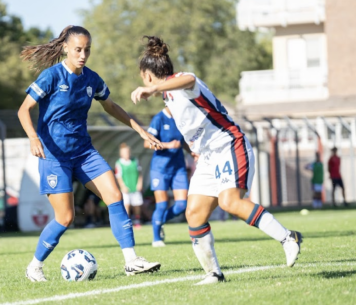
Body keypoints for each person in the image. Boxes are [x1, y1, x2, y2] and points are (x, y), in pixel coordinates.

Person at [130, 36, 303, 285]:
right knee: (194, 214)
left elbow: (190, 79)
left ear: (147, 76)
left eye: (143, 79)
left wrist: (154, 88)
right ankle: (214, 273)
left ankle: (288, 238)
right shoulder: (168, 97)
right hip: (209, 158)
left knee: (230, 202)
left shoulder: (180, 82)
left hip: (229, 145)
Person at [17, 25, 162, 282]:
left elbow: (111, 106)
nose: (83, 55)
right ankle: (34, 266)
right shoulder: (51, 77)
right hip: (54, 156)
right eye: (78, 50)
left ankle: (132, 260)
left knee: (115, 195)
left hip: (84, 153)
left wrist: (140, 130)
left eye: (87, 50)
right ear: (65, 49)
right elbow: (23, 110)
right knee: (65, 217)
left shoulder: (91, 79)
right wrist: (33, 138)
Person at [145, 107, 189, 247]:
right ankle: (156, 238)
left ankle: (160, 221)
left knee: (182, 205)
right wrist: (167, 145)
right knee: (162, 204)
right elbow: (147, 143)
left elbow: (182, 142)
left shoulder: (180, 118)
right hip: (160, 169)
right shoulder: (158, 119)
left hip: (178, 168)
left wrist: (193, 152)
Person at [115, 143, 144, 229]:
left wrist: (140, 183)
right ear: (121, 154)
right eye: (124, 152)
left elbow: (140, 173)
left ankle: (137, 220)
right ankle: (127, 222)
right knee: (126, 205)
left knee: (137, 205)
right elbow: (118, 176)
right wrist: (123, 186)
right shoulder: (119, 163)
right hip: (126, 188)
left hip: (135, 186)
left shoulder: (135, 161)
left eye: (127, 152)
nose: (126, 154)